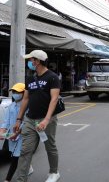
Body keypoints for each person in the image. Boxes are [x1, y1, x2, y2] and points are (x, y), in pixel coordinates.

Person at [13, 50, 61, 182]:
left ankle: (54, 172)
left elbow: (54, 99)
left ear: (37, 61)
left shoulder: (52, 77)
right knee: (25, 150)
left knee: (49, 146)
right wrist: (19, 119)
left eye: (31, 60)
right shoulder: (30, 78)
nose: (29, 62)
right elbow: (26, 99)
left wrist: (46, 120)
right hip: (30, 119)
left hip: (46, 120)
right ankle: (21, 179)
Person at [0, 83, 33, 182]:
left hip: (22, 136)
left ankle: (7, 179)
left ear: (24, 93)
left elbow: (27, 122)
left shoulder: (28, 107)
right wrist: (2, 131)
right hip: (12, 136)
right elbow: (6, 121)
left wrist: (18, 133)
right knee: (16, 155)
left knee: (15, 158)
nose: (15, 94)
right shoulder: (11, 106)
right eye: (13, 92)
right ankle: (29, 167)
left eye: (17, 92)